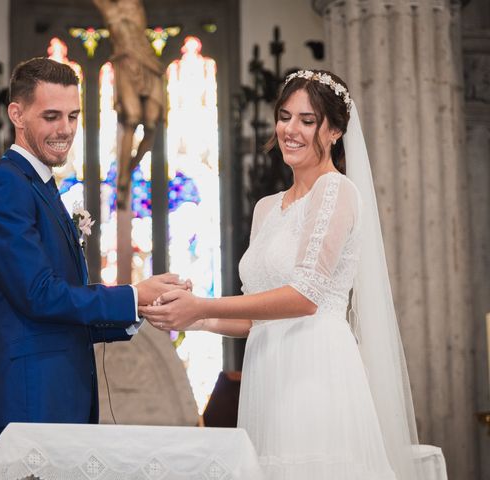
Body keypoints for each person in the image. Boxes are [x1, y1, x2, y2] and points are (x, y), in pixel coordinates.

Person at [141, 70, 422, 479]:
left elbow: (304, 298)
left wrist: (202, 304)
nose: (291, 130)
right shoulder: (267, 208)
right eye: (285, 116)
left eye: (307, 121)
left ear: (335, 131)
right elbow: (255, 314)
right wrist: (192, 318)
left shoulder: (337, 191)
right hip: (267, 370)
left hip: (314, 367)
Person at [0, 57, 188, 468]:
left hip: (60, 401)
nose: (65, 129)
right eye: (50, 116)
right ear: (17, 113)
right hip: (29, 402)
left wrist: (142, 309)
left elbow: (62, 306)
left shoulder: (42, 189)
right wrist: (133, 296)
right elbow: (39, 295)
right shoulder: (3, 187)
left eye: (72, 115)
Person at [92, 0, 164, 209]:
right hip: (125, 63)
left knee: (151, 126)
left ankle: (130, 168)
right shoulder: (110, 9)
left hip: (149, 64)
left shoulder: (135, 4)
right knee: (132, 119)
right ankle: (122, 180)